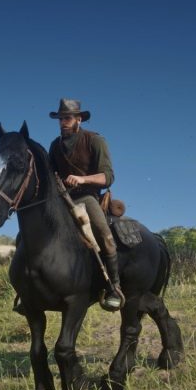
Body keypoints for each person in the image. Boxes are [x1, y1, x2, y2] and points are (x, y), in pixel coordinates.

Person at [48, 98, 124, 311]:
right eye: (60, 118)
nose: (63, 122)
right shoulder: (55, 146)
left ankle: (113, 287)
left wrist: (82, 179)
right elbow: (48, 173)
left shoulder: (94, 140)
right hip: (60, 199)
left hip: (86, 197)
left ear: (79, 120)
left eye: (68, 118)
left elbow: (107, 177)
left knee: (105, 235)